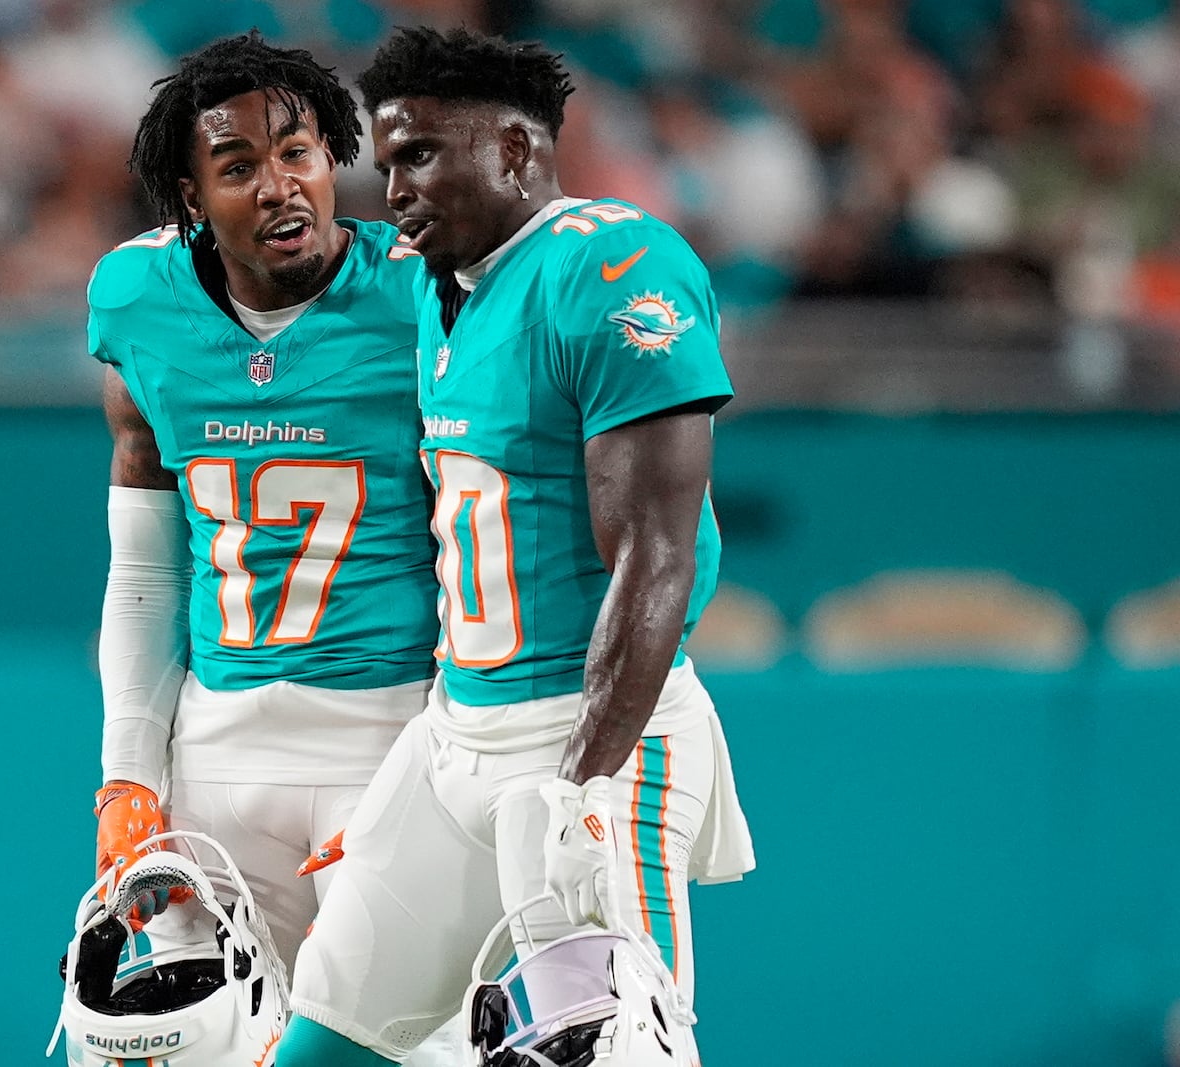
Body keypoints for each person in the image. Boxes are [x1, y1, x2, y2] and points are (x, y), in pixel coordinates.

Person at [276, 27, 756, 1066]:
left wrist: (582, 784)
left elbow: (662, 555)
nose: (392, 185)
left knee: (614, 1047)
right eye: (386, 157)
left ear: (512, 149)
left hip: (590, 742)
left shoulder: (610, 265)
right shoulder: (436, 281)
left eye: (419, 155)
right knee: (325, 1036)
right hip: (456, 732)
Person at [82, 31, 439, 976]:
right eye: (239, 165)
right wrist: (128, 773)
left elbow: (490, 543)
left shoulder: (424, 295)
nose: (279, 184)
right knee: (197, 1035)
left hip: (390, 730)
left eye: (297, 152)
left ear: (333, 157)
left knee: (417, 1036)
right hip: (218, 750)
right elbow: (149, 567)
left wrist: (444, 767)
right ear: (193, 198)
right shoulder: (137, 298)